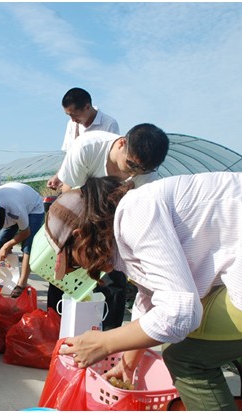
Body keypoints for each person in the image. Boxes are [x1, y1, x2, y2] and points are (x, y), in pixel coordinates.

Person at [47, 175, 242, 411]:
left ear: (80, 237)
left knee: (186, 358)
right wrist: (128, 363)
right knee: (175, 338)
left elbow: (180, 313)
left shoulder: (134, 215)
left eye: (74, 263)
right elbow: (152, 297)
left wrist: (105, 342)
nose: (81, 270)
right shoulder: (129, 217)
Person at [48, 123, 170, 329]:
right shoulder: (87, 148)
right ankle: (53, 326)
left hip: (112, 224)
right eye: (132, 165)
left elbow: (135, 212)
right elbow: (69, 194)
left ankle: (110, 334)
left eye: (144, 170)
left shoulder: (147, 175)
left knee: (114, 279)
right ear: (122, 143)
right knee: (63, 274)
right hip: (79, 215)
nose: (135, 173)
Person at [0, 182, 45, 298]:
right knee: (1, 241)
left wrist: (7, 246)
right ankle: (10, 276)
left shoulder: (16, 210)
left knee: (28, 246)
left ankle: (22, 283)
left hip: (33, 208)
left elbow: (26, 232)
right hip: (14, 199)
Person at [47, 87, 119, 190]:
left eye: (74, 115)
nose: (72, 120)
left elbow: (111, 160)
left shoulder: (109, 124)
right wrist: (58, 176)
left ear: (87, 107)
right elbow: (69, 156)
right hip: (78, 180)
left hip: (99, 183)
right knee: (65, 195)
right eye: (69, 115)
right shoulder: (72, 124)